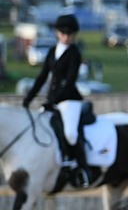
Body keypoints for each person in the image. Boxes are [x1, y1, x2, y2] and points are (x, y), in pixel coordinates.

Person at [22, 13, 93, 188]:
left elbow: (70, 81)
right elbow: (42, 77)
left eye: (70, 33)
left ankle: (83, 169)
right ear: (57, 33)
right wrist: (28, 99)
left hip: (70, 100)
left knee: (70, 133)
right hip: (52, 100)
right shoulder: (52, 51)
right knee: (40, 129)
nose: (67, 36)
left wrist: (53, 100)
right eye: (63, 33)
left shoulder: (74, 52)